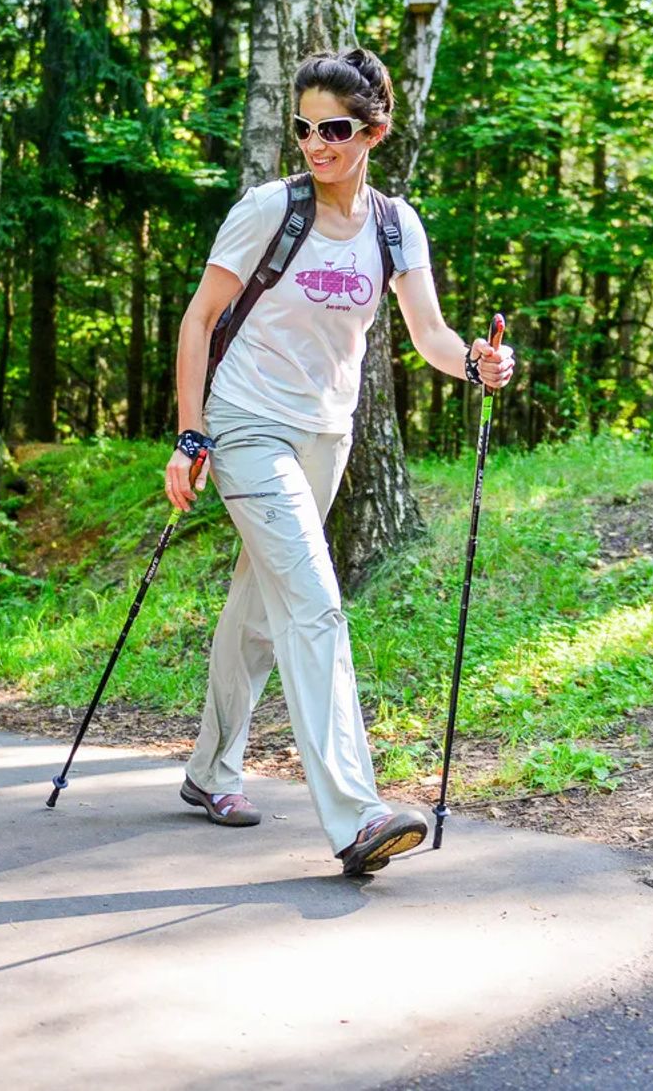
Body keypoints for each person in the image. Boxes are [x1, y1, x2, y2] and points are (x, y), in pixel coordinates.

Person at [167, 47, 517, 875]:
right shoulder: (267, 210)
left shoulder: (396, 225)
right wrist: (191, 435)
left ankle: (209, 769)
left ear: (375, 131)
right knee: (316, 600)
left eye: (333, 128)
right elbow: (197, 320)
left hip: (326, 435)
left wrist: (473, 362)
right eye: (304, 128)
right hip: (246, 423)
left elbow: (429, 334)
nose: (315, 144)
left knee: (261, 604)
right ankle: (357, 812)